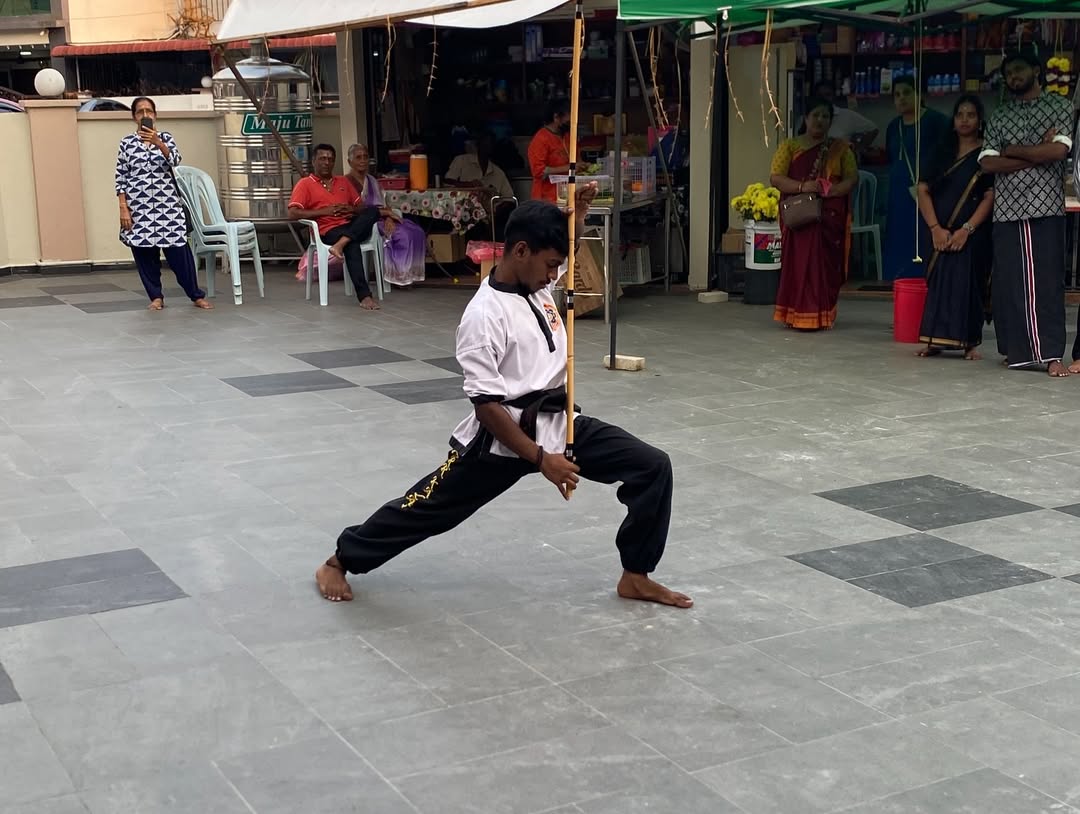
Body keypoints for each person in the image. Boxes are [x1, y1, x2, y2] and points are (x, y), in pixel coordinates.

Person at [315, 187, 693, 610]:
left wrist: (580, 215)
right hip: (501, 438)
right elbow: (488, 408)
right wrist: (538, 459)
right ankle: (340, 559)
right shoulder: (482, 316)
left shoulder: (538, 283)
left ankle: (635, 575)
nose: (557, 273)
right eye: (551, 265)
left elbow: (562, 250)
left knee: (651, 467)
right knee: (427, 507)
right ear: (520, 251)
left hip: (559, 421)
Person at [979, 50, 1073, 378]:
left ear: (1036, 70)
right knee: (1010, 284)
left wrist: (1014, 150)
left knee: (1046, 282)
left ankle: (1050, 355)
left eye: (1019, 69)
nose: (1013, 76)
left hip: (1045, 206)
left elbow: (1059, 150)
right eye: (1008, 72)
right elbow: (988, 163)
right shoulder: (1000, 114)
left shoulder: (1059, 106)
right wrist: (1037, 152)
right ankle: (1016, 352)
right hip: (1006, 211)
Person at [915, 96, 996, 360]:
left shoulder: (987, 155)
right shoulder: (942, 152)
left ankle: (969, 343)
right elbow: (923, 189)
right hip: (939, 231)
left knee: (968, 285)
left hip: (969, 234)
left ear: (979, 120)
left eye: (970, 114)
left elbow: (989, 196)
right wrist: (935, 228)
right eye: (959, 114)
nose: (964, 119)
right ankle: (933, 340)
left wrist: (967, 229)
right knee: (939, 285)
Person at [115, 96, 212, 312]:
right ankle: (155, 297)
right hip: (138, 210)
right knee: (144, 254)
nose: (145, 115)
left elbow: (175, 161)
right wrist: (123, 208)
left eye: (149, 111)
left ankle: (195, 295)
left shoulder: (166, 138)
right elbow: (121, 177)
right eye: (140, 112)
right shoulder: (126, 143)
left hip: (168, 208)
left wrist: (158, 143)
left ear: (155, 115)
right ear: (133, 117)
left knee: (180, 253)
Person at [769, 97, 859, 330]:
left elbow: (852, 179)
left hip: (828, 216)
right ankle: (795, 314)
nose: (820, 120)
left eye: (825, 116)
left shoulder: (840, 149)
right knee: (797, 265)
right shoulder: (790, 146)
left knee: (825, 266)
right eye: (815, 115)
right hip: (801, 215)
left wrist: (832, 191)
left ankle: (822, 315)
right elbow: (776, 178)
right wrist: (803, 187)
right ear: (806, 118)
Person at [288, 143, 381, 311]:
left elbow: (360, 207)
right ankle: (364, 296)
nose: (326, 163)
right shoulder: (305, 184)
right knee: (352, 245)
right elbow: (293, 213)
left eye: (330, 159)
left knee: (373, 211)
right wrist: (325, 211)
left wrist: (350, 209)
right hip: (327, 230)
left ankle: (341, 244)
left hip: (349, 224)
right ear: (314, 161)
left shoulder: (343, 181)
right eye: (322, 159)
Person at [883, 76, 951, 281]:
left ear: (919, 95)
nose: (901, 98)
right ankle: (900, 280)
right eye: (897, 95)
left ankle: (927, 277)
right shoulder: (893, 126)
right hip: (899, 190)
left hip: (926, 189)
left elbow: (947, 154)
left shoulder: (936, 121)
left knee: (923, 233)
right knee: (900, 234)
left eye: (906, 93)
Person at [344, 143, 427, 288]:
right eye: (358, 157)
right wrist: (384, 215)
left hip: (381, 217)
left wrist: (389, 217)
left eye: (365, 157)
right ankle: (399, 276)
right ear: (350, 161)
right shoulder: (345, 182)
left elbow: (383, 205)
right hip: (363, 222)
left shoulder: (372, 181)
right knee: (402, 235)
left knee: (416, 231)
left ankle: (409, 274)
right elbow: (352, 210)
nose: (363, 160)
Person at [446, 132, 517, 241]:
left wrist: (496, 212)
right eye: (485, 143)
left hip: (487, 216)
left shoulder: (498, 172)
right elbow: (447, 181)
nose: (488, 147)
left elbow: (510, 198)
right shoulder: (461, 161)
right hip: (458, 212)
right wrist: (468, 184)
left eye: (491, 144)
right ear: (478, 145)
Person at [814, 81, 879, 157]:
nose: (823, 99)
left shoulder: (846, 115)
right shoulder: (809, 118)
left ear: (834, 96)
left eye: (827, 95)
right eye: (820, 96)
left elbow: (873, 128)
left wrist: (858, 149)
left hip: (842, 165)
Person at [528, 100, 571, 203]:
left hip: (565, 196)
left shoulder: (566, 137)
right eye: (568, 119)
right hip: (546, 199)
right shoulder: (541, 139)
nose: (570, 122)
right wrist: (570, 167)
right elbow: (539, 171)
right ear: (556, 117)